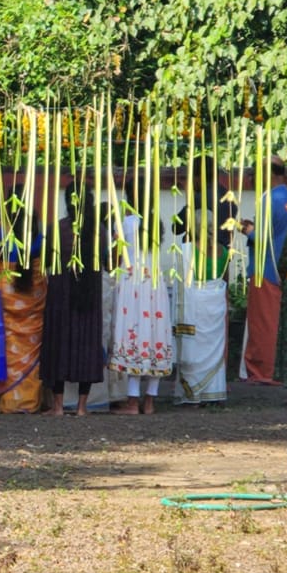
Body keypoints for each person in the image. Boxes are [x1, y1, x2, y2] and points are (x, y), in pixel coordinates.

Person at [109, 175, 175, 414]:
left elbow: (116, 258)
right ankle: (150, 400)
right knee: (153, 332)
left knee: (133, 332)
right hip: (154, 284)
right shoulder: (157, 222)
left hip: (131, 283)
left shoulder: (125, 224)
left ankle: (133, 400)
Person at [42, 187, 105, 418]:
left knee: (59, 345)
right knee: (87, 346)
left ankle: (58, 407)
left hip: (61, 293)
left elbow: (47, 259)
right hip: (89, 292)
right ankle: (81, 407)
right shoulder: (100, 231)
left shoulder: (58, 228)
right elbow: (107, 260)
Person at [168, 201, 229, 406]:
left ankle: (193, 392)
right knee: (214, 348)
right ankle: (214, 392)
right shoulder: (224, 251)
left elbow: (181, 283)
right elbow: (224, 280)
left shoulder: (186, 250)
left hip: (195, 307)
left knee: (194, 348)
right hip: (216, 306)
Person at [241, 160, 287, 385]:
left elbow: (261, 238)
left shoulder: (269, 199)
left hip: (264, 267)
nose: (252, 179)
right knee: (272, 321)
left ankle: (261, 370)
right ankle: (270, 368)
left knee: (262, 322)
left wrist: (247, 230)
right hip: (282, 266)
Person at [0, 243, 47, 413]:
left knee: (9, 349)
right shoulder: (41, 239)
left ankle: (8, 398)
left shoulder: (0, 236)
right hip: (34, 311)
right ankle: (29, 400)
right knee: (31, 352)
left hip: (7, 308)